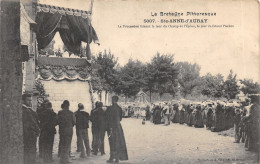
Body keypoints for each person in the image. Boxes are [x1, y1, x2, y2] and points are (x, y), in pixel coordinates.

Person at [106, 96, 128, 163]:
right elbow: (121, 118)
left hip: (111, 127)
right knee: (118, 142)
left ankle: (111, 158)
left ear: (112, 100)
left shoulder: (109, 108)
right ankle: (117, 158)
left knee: (112, 142)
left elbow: (107, 118)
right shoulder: (119, 108)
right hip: (118, 127)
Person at [22, 93, 40, 164]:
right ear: (23, 101)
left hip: (28, 135)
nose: (30, 102)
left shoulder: (28, 110)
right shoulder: (26, 111)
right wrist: (37, 131)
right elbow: (33, 123)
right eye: (28, 100)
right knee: (30, 153)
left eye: (30, 100)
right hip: (29, 135)